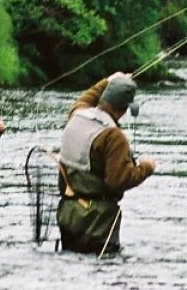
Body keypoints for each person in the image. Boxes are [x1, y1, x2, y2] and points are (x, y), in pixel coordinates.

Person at [57, 72, 156, 255]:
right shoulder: (113, 137)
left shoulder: (77, 115)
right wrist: (146, 167)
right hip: (97, 222)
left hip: (68, 215)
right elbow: (117, 181)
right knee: (102, 271)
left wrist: (107, 81)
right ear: (124, 110)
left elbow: (86, 99)